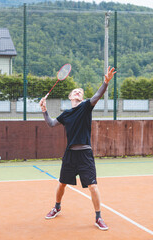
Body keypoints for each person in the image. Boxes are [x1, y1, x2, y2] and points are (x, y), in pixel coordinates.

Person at [39, 66, 116, 231]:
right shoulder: (66, 114)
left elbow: (97, 95)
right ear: (70, 96)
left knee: (93, 186)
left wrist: (106, 83)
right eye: (75, 91)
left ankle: (98, 217)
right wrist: (44, 110)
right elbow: (51, 124)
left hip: (85, 154)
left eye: (80, 92)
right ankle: (57, 207)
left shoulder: (86, 106)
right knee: (61, 184)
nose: (78, 92)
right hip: (70, 155)